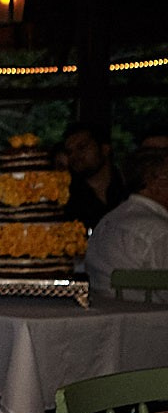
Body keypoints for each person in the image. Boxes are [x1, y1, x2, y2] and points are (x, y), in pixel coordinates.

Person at [84, 147, 168, 292]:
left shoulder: (107, 222)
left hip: (105, 311)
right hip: (151, 313)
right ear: (154, 184)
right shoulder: (159, 232)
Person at [63, 122, 128, 229]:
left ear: (105, 149)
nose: (75, 156)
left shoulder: (128, 188)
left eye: (82, 147)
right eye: (69, 152)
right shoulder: (68, 198)